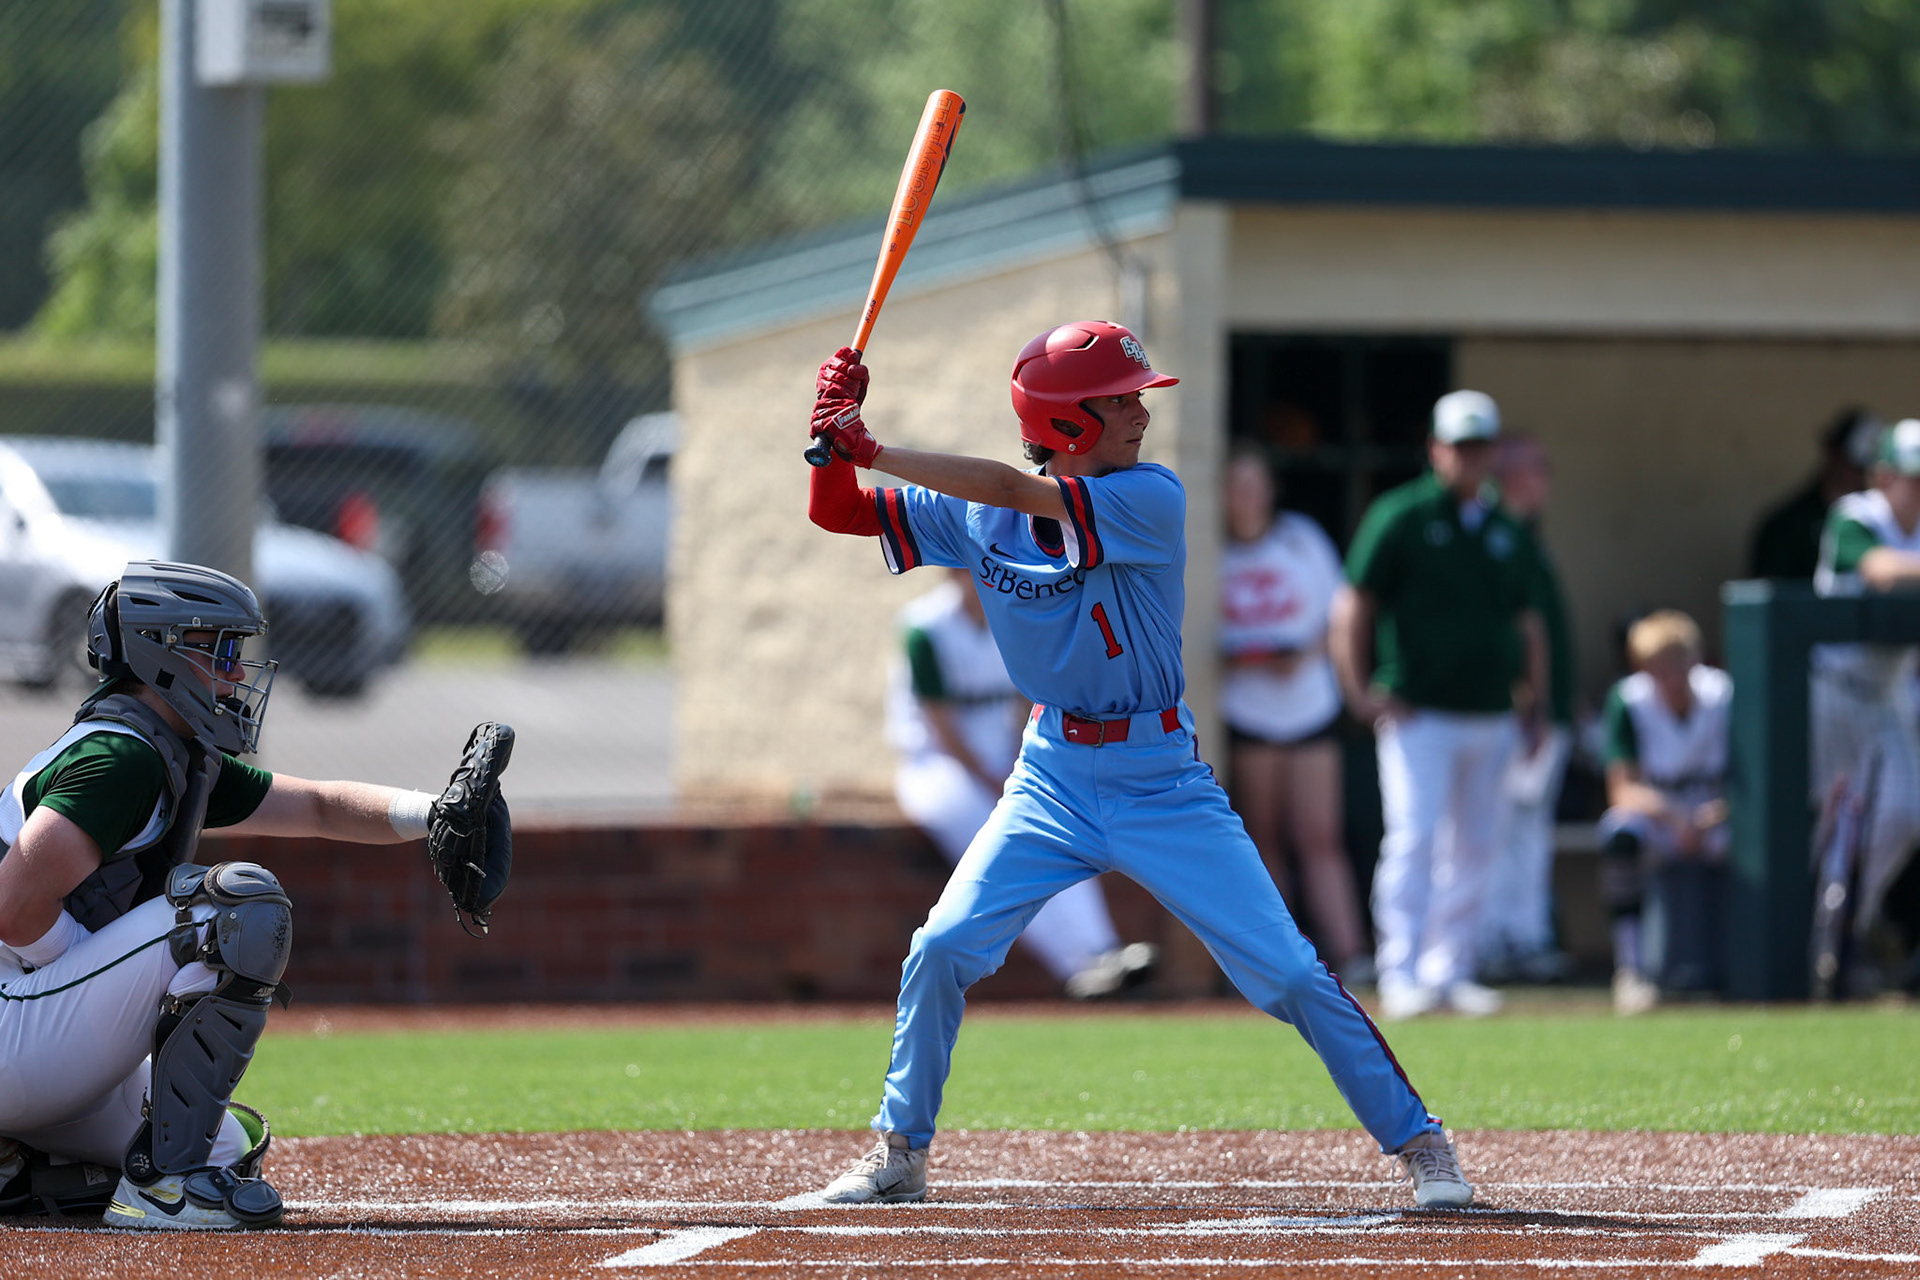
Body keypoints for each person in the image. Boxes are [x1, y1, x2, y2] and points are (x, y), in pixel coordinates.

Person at [803, 321, 1473, 1209]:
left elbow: (1013, 485)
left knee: (1289, 975)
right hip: (1048, 775)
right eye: (1117, 400)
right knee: (941, 949)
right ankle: (898, 1153)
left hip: (1159, 777)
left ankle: (1422, 1143)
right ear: (1066, 420)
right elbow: (839, 513)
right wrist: (829, 444)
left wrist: (873, 443)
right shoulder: (978, 513)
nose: (1139, 412)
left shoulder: (1149, 496)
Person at [0, 561, 511, 1230]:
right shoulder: (120, 758)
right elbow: (12, 907)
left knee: (226, 1144)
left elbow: (322, 807)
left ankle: (18, 1164)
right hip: (15, 1024)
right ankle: (166, 1189)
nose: (237, 671)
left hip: (27, 1026)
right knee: (235, 909)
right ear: (162, 653)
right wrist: (105, 971)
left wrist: (435, 813)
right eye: (220, 650)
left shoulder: (170, 751)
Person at [1328, 390, 1548, 1021]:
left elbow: (1527, 621)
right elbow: (1353, 606)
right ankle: (1401, 970)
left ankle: (1452, 969)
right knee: (1414, 838)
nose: (1469, 459)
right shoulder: (1399, 515)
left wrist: (1534, 701)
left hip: (1491, 712)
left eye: (1480, 447)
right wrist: (1360, 688)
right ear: (1435, 449)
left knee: (1478, 843)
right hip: (1418, 713)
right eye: (1459, 446)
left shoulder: (1506, 527)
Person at [888, 568, 1158, 999]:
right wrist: (993, 779)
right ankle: (1076, 964)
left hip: (1002, 759)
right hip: (937, 765)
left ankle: (1103, 950)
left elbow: (1024, 702)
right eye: (966, 568)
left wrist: (1016, 766)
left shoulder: (1013, 617)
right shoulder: (926, 627)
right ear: (952, 575)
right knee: (993, 839)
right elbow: (942, 727)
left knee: (1059, 831)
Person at [1218, 447, 1372, 986]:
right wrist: (1250, 656)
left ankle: (1352, 955)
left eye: (1256, 483)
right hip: (1248, 712)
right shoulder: (1210, 553)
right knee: (1263, 839)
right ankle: (1281, 963)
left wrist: (1302, 655)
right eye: (1235, 485)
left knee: (1320, 836)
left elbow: (1338, 614)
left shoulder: (1301, 539)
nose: (1247, 496)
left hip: (1309, 708)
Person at [1812, 418, 1920, 981]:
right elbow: (1879, 570)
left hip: (1889, 693)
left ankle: (1857, 920)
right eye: (1911, 478)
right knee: (1831, 824)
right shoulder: (1857, 514)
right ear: (1883, 476)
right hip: (1834, 690)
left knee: (1906, 811)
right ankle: (1821, 946)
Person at [1597, 610, 1731, 1014]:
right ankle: (1631, 969)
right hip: (1663, 816)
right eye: (1659, 666)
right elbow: (1621, 789)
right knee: (1619, 833)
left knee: (1762, 839)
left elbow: (1756, 781)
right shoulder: (1629, 698)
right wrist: (1676, 818)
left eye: (1678, 662)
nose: (1670, 676)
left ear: (1696, 659)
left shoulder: (1724, 693)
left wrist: (1714, 815)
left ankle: (1752, 965)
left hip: (1718, 815)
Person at [1479, 433, 1576, 985]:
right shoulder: (1495, 531)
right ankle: (1494, 938)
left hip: (1544, 708)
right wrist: (1529, 697)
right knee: (1495, 826)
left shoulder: (1525, 536)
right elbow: (1514, 627)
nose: (1545, 479)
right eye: (1536, 468)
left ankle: (1525, 934)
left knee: (1528, 826)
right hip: (1512, 709)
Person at [1748, 408, 1881, 580]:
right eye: (1858, 466)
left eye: (1875, 469)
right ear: (1834, 453)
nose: (1866, 476)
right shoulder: (1785, 526)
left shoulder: (1885, 522)